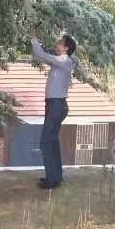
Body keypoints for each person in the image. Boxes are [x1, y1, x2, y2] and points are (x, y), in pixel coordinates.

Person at [30, 30, 78, 190]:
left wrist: (33, 36)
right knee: (52, 141)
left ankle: (52, 179)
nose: (56, 43)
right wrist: (38, 44)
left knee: (46, 141)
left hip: (57, 105)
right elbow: (40, 55)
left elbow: (39, 53)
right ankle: (55, 177)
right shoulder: (60, 61)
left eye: (59, 42)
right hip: (55, 105)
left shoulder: (64, 61)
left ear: (65, 48)